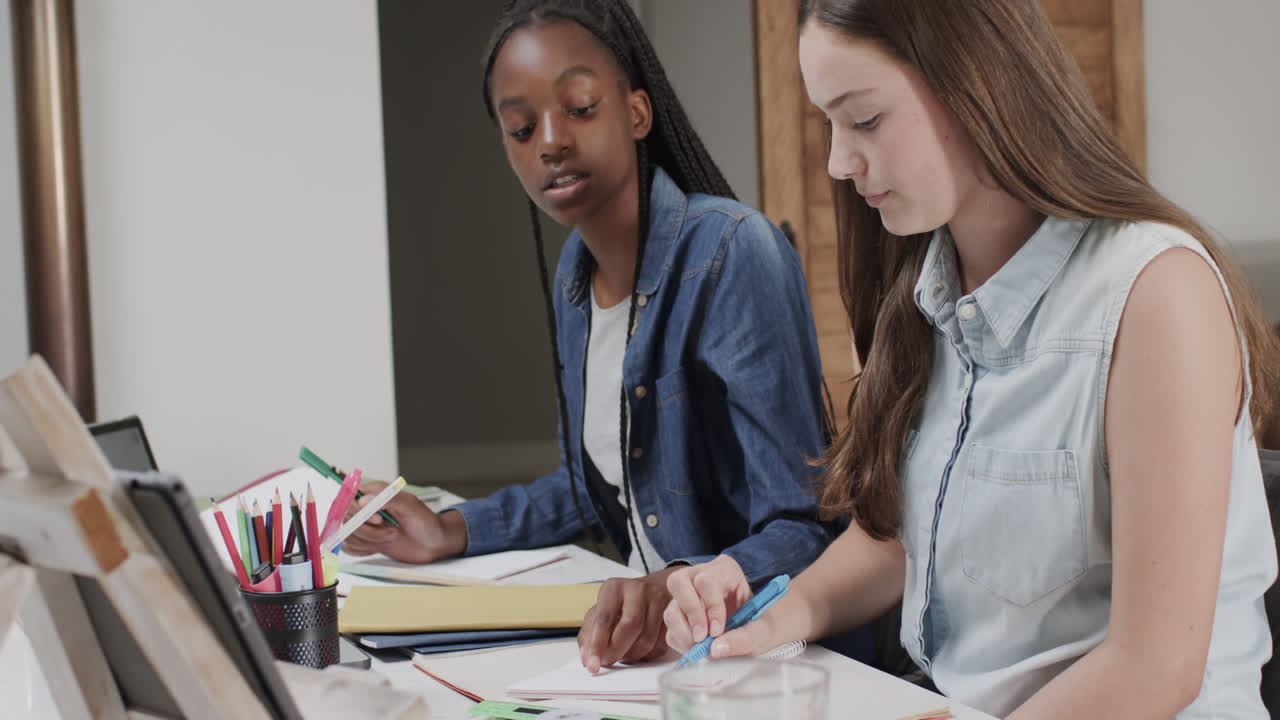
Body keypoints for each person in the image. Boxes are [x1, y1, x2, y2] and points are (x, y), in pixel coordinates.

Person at [663, 1, 1280, 717]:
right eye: (828, 123)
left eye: (864, 120)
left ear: (977, 83)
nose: (838, 161)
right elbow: (902, 542)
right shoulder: (926, 290)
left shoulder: (1156, 294)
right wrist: (770, 616)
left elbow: (1156, 668)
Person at [344, 0, 839, 675]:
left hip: (760, 655)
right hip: (661, 655)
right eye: (521, 128)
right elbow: (593, 485)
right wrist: (447, 530)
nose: (549, 142)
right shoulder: (575, 280)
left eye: (579, 108)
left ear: (637, 112)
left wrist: (682, 582)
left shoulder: (731, 252)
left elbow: (803, 527)